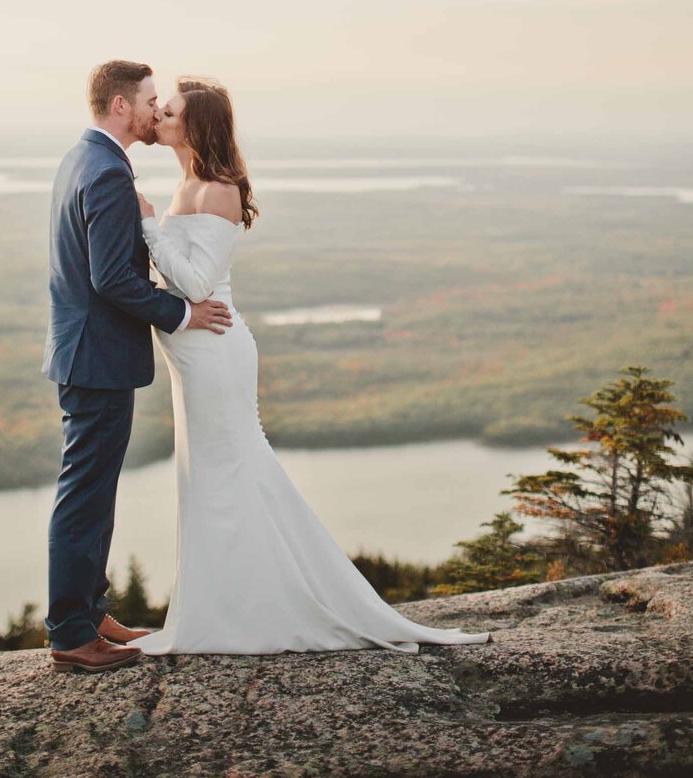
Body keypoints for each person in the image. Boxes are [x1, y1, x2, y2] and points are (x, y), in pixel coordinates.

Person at [134, 76, 496, 655]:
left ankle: (252, 611)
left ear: (195, 125)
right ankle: (226, 606)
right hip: (193, 355)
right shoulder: (189, 184)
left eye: (170, 112)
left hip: (214, 353)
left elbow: (199, 284)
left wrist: (148, 224)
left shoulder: (217, 190)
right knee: (210, 478)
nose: (160, 118)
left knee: (225, 476)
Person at [42, 60, 233, 674]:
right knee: (85, 496)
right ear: (122, 106)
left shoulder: (86, 158)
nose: (156, 109)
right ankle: (71, 633)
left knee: (93, 492)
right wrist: (181, 313)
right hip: (95, 359)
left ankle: (90, 612)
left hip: (88, 353)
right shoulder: (104, 172)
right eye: (151, 99)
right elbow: (111, 279)